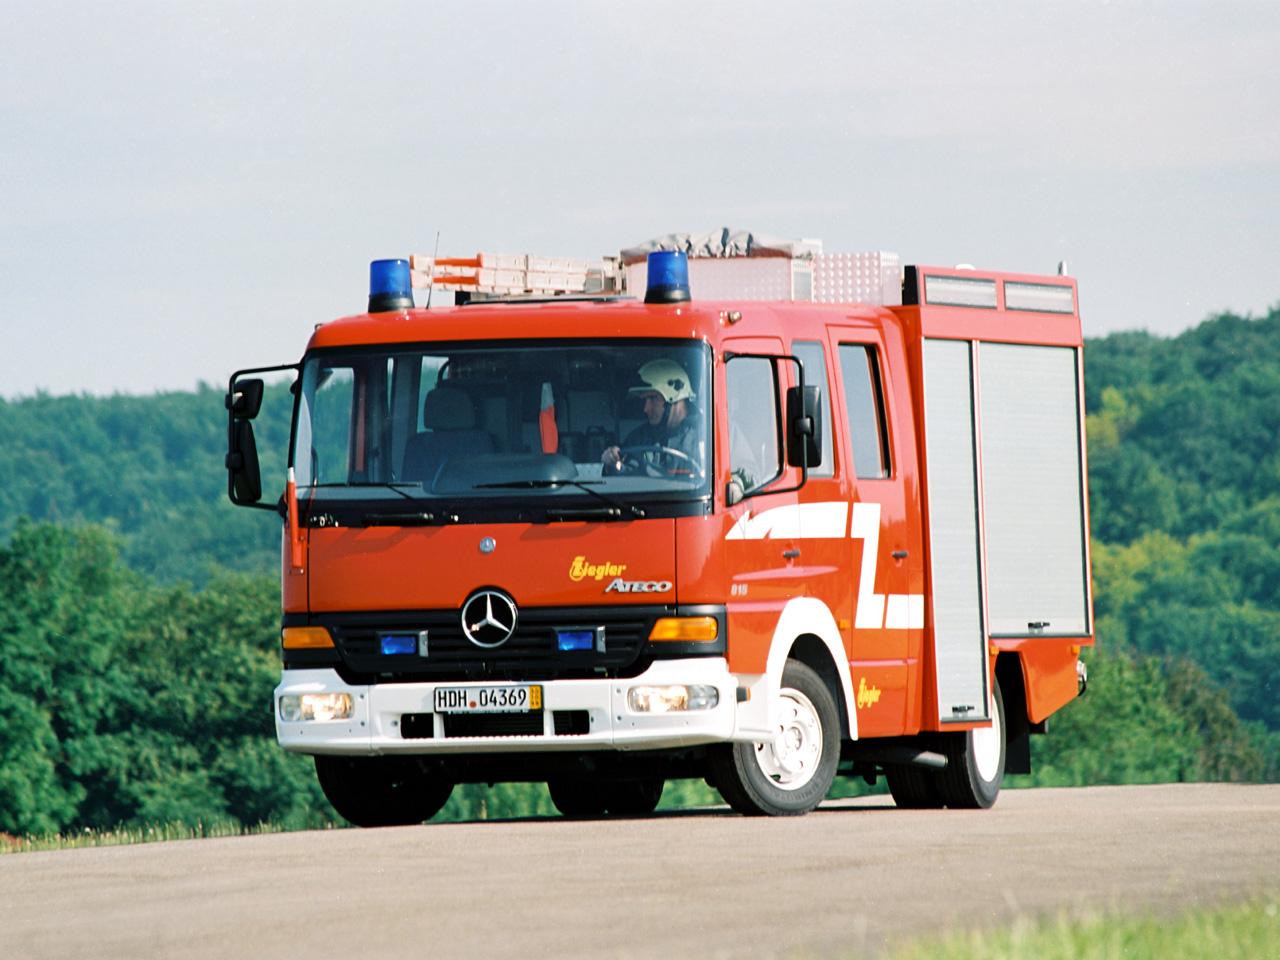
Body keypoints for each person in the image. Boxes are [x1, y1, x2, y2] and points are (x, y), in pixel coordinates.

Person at [602, 359, 703, 476]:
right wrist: (611, 463)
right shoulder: (638, 439)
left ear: (674, 398)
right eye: (645, 400)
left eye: (653, 398)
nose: (646, 409)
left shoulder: (705, 437)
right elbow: (622, 479)